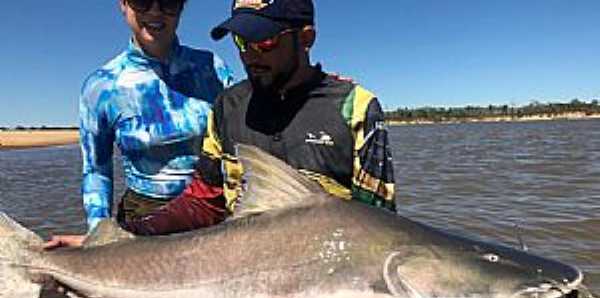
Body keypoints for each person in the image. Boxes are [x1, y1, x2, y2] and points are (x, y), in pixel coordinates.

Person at [113, 0, 396, 235]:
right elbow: (205, 202)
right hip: (241, 270)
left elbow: (378, 227)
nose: (249, 55)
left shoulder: (356, 108)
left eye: (265, 41)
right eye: (242, 41)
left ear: (306, 38)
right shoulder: (228, 105)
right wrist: (131, 235)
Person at [43, 0, 234, 248]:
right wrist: (98, 235)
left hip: (212, 206)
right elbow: (97, 171)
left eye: (168, 3)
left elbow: (241, 142)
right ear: (123, 4)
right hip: (145, 214)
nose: (155, 12)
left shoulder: (212, 68)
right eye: (142, 1)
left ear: (182, 7)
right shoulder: (102, 86)